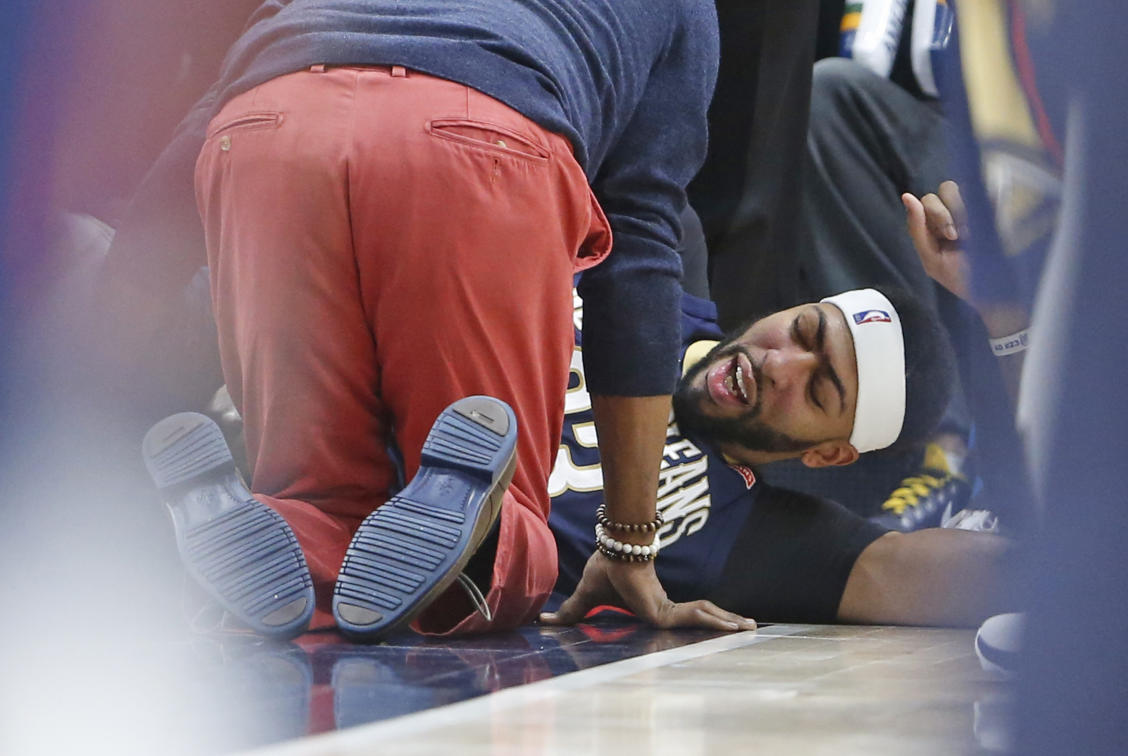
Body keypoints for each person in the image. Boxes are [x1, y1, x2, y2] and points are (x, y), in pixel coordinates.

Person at [140, 0, 757, 642]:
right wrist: (630, 542)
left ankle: (264, 514)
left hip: (265, 130)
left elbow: (212, 105)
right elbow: (640, 240)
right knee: (514, 550)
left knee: (314, 498)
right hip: (475, 135)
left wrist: (109, 334)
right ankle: (476, 524)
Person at [542, 279, 1015, 628]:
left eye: (816, 391)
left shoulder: (748, 537)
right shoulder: (650, 274)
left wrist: (1012, 322)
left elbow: (1029, 577)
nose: (776, 364)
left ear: (828, 455)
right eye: (802, 330)